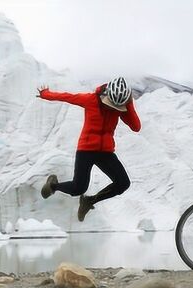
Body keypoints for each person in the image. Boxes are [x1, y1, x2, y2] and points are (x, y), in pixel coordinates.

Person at [37, 77, 141, 221]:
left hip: (106, 152)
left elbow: (136, 127)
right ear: (106, 96)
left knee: (123, 183)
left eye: (116, 107)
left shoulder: (122, 105)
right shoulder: (90, 99)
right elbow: (67, 97)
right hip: (86, 150)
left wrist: (129, 104)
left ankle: (89, 201)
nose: (112, 109)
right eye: (111, 105)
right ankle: (53, 185)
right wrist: (45, 94)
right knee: (78, 188)